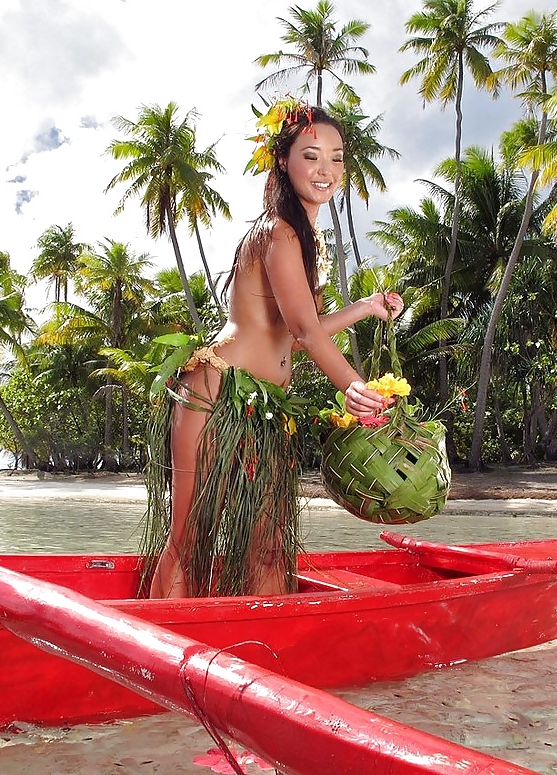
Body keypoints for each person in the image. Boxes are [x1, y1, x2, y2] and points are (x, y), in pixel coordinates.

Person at [141, 100, 404, 599]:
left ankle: (267, 650)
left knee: (268, 541)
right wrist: (354, 386)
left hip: (265, 408)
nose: (326, 169)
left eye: (337, 157)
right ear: (284, 161)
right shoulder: (276, 231)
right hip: (216, 394)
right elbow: (305, 330)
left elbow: (293, 332)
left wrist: (366, 307)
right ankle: (159, 659)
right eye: (311, 155)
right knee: (189, 537)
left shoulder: (304, 239)